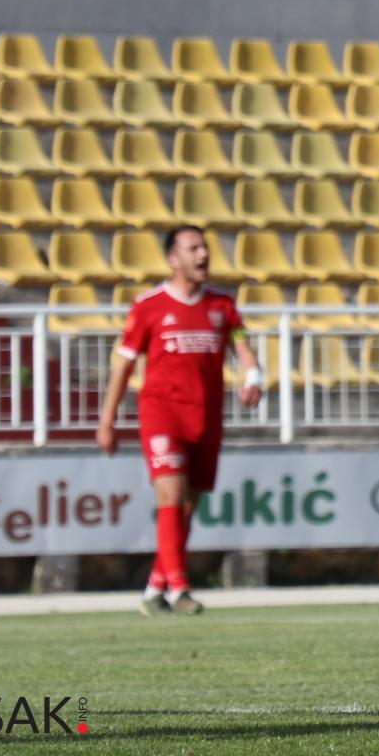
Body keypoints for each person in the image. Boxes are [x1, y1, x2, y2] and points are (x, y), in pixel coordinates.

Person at [95, 226, 261, 616]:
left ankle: (155, 587)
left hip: (205, 417)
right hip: (161, 414)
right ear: (174, 258)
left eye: (206, 246)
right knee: (170, 496)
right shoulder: (149, 306)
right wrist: (107, 420)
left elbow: (244, 349)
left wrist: (252, 377)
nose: (204, 254)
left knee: (187, 507)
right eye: (194, 248)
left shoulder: (223, 306)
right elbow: (122, 367)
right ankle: (179, 589)